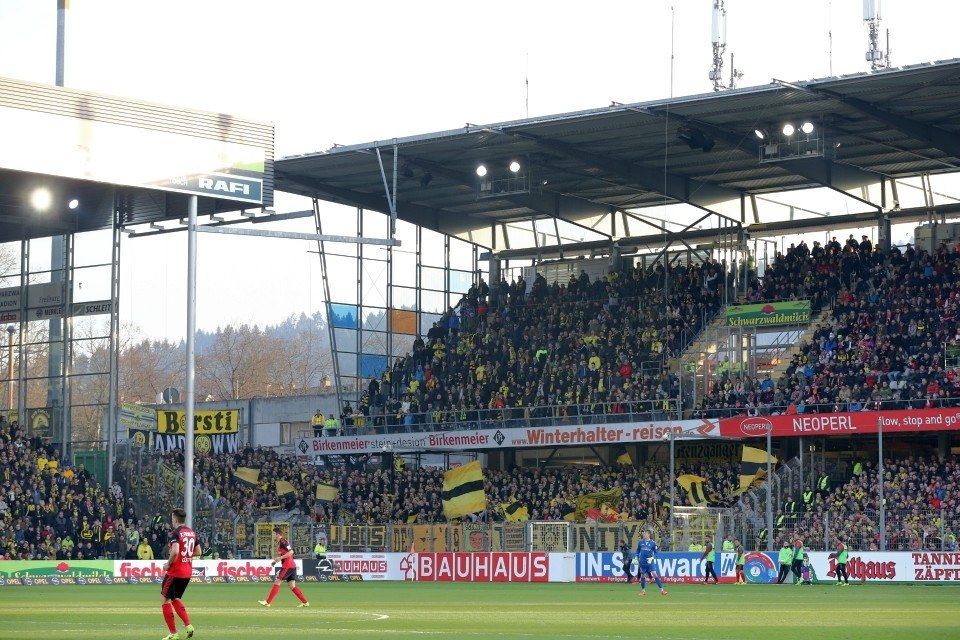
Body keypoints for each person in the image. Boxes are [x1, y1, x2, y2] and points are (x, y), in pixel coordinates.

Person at [160, 508, 197, 640]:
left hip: (175, 571)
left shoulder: (174, 533)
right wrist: (186, 554)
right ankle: (188, 626)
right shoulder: (192, 533)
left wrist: (168, 564)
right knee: (174, 598)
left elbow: (175, 551)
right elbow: (198, 551)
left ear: (175, 519)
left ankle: (173, 633)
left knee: (164, 600)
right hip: (187, 572)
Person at [259, 526, 309, 608]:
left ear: (278, 534)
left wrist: (280, 558)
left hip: (288, 566)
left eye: (273, 533)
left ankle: (268, 602)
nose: (272, 535)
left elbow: (291, 552)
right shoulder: (280, 542)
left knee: (277, 581)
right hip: (291, 566)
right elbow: (284, 553)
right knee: (292, 585)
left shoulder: (283, 542)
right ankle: (305, 602)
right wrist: (275, 561)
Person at [634, 529, 667, 596]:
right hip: (642, 562)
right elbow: (637, 551)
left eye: (645, 533)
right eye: (643, 533)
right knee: (643, 575)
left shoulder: (653, 543)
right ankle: (643, 591)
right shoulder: (640, 542)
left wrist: (652, 558)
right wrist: (636, 557)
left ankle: (662, 590)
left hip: (650, 562)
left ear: (649, 534)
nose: (644, 534)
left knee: (654, 574)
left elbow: (656, 553)